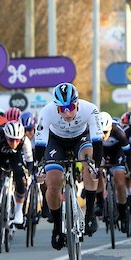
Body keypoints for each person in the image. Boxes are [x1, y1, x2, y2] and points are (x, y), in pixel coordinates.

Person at [34, 83, 103, 250]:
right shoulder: (47, 111)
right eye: (62, 108)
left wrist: (97, 167)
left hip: (81, 139)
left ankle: (91, 213)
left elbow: (97, 140)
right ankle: (57, 226)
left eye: (71, 107)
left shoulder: (90, 109)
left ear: (77, 103)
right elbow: (40, 142)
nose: (67, 112)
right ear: (56, 106)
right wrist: (39, 166)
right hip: (56, 142)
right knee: (53, 182)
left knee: (89, 161)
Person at [0, 121, 33, 237]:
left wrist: (28, 175)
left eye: (17, 140)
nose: (14, 143)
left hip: (15, 158)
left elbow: (29, 162)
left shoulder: (25, 141)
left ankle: (19, 210)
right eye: (10, 140)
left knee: (21, 177)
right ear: (5, 136)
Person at [98, 111, 131, 233]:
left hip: (117, 152)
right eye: (100, 132)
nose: (102, 135)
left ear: (110, 128)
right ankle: (100, 203)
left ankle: (123, 215)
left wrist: (128, 167)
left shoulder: (118, 132)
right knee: (96, 171)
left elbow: (128, 153)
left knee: (119, 182)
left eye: (105, 132)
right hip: (102, 150)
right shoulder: (93, 130)